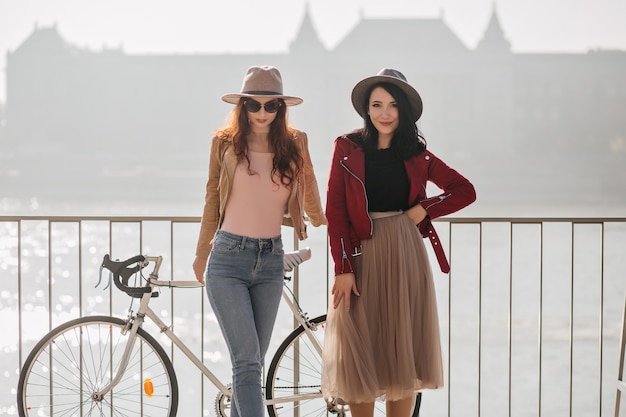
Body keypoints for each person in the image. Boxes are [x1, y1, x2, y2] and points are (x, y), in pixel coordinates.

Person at [321, 68, 476, 417]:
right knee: (361, 351)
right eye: (377, 105)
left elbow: (465, 190)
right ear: (367, 109)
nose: (385, 113)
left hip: (405, 253)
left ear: (404, 110)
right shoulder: (347, 148)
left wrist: (424, 209)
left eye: (393, 105)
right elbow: (336, 211)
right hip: (360, 254)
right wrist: (342, 268)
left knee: (402, 354)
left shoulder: (417, 153)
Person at [192, 65, 326, 417]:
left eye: (272, 106)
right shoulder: (224, 142)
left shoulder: (295, 143)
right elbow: (212, 199)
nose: (263, 113)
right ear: (243, 106)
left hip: (270, 261)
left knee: (250, 367)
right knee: (248, 364)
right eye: (255, 105)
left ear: (281, 109)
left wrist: (331, 221)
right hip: (227, 260)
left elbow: (310, 194)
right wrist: (199, 253)